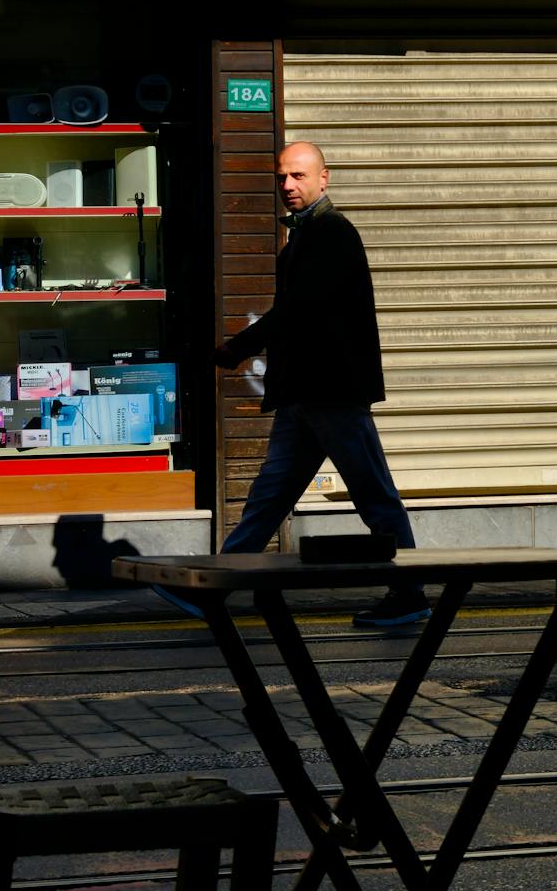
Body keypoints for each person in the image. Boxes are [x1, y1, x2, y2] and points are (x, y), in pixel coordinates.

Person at [154, 141, 430, 629]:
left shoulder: (331, 234)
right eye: (281, 177)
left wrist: (236, 348)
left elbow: (297, 313)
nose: (287, 186)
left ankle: (409, 594)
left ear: (325, 179)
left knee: (372, 493)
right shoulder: (305, 236)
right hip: (305, 393)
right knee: (269, 499)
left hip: (331, 392)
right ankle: (215, 589)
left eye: (298, 177)